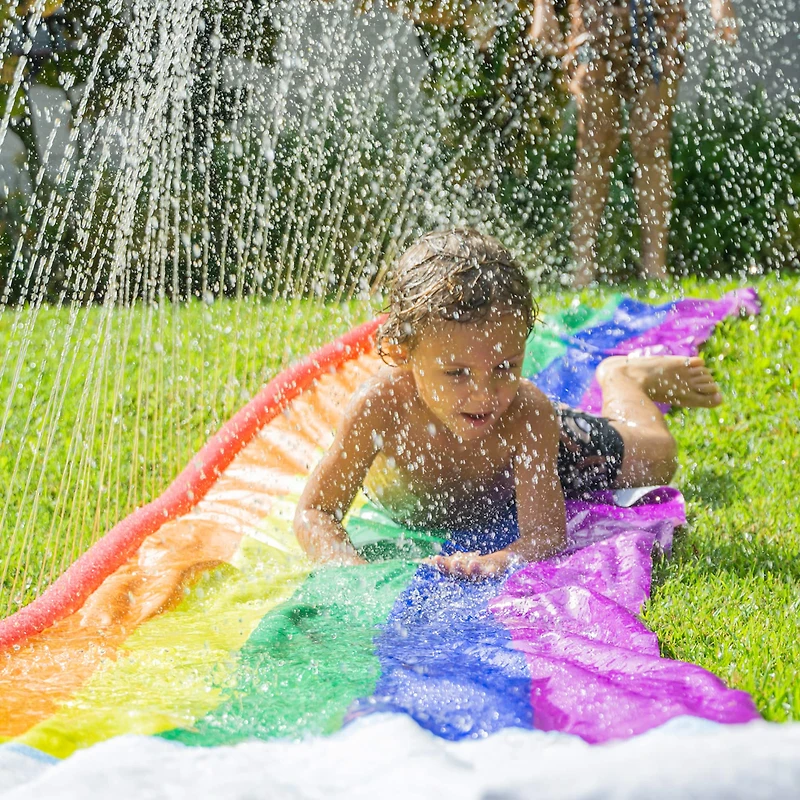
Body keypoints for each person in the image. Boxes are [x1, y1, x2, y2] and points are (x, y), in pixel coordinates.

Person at [293, 229, 723, 578]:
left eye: (505, 366)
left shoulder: (525, 414)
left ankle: (622, 376)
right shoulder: (378, 409)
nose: (484, 395)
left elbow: (544, 536)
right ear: (404, 353)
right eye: (457, 373)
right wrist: (350, 570)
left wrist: (491, 561)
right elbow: (315, 511)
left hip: (561, 450)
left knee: (657, 457)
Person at [528, 0, 739, 285]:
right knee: (595, 144)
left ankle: (655, 266)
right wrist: (544, 7)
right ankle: (583, 266)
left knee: (653, 144)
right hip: (597, 15)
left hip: (660, 15)